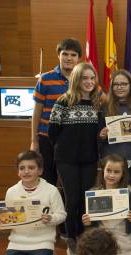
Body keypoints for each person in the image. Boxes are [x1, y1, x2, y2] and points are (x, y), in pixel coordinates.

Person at [48, 62, 103, 255]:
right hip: (66, 160)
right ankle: (72, 240)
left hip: (89, 160)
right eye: (84, 78)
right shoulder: (63, 102)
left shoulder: (98, 103)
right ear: (76, 79)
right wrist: (66, 149)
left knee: (87, 200)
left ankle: (85, 239)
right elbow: (52, 133)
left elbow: (100, 132)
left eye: (92, 78)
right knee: (72, 201)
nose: (89, 82)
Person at [0, 150, 66, 255]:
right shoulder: (11, 191)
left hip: (42, 241)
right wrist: (2, 220)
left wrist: (50, 218)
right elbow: (11, 219)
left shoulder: (51, 190)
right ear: (18, 172)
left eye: (31, 168)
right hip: (17, 242)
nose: (26, 171)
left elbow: (62, 215)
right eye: (22, 168)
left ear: (40, 171)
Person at [81, 154, 131, 255]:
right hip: (102, 238)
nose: (111, 175)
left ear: (123, 173)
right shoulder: (93, 192)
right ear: (103, 170)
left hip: (125, 239)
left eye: (116, 172)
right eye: (108, 171)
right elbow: (92, 227)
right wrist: (87, 222)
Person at [31, 38, 82, 185]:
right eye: (65, 54)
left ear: (78, 58)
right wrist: (34, 142)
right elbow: (36, 113)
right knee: (48, 181)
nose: (68, 58)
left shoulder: (83, 80)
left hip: (71, 140)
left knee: (69, 183)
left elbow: (103, 99)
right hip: (46, 138)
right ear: (58, 55)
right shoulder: (45, 79)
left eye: (73, 55)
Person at [99, 70, 131, 187]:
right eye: (116, 84)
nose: (119, 87)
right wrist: (101, 135)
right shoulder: (104, 107)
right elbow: (97, 137)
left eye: (124, 84)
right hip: (111, 163)